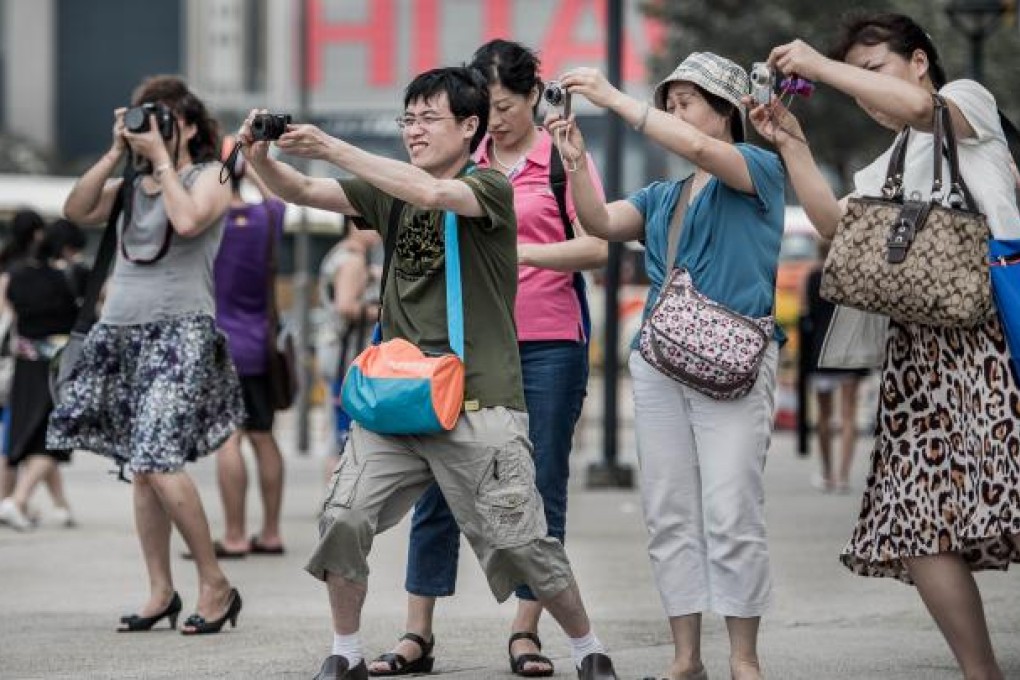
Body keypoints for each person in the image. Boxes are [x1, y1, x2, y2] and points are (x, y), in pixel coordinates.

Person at [240, 65, 621, 680]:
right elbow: (304, 192)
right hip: (397, 398)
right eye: (407, 119)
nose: (413, 131)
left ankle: (587, 647)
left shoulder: (490, 186)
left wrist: (330, 146)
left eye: (428, 119)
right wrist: (257, 155)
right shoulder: (390, 187)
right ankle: (346, 652)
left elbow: (435, 196)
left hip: (478, 398)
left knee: (524, 540)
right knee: (342, 518)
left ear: (471, 126)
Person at [749, 12, 1020, 679]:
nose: (866, 93)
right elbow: (837, 228)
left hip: (993, 344)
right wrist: (792, 145)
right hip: (918, 362)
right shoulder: (891, 160)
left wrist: (816, 65)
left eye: (876, 72)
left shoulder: (965, 105)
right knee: (919, 523)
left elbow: (916, 108)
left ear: (920, 62)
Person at [367, 40, 607, 679]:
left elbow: (598, 246)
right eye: (485, 108)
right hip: (460, 350)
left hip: (547, 345)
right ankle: (418, 631)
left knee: (538, 487)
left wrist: (518, 256)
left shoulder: (560, 157)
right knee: (436, 486)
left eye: (506, 105)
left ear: (534, 96)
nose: (495, 119)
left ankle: (527, 630)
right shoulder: (455, 162)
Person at [546, 52, 785, 680]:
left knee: (733, 511)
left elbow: (705, 153)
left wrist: (618, 99)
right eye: (669, 102)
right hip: (660, 363)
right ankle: (686, 658)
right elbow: (598, 222)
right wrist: (572, 158)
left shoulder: (757, 167)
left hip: (735, 359)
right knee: (669, 512)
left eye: (686, 102)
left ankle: (744, 659)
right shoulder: (662, 196)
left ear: (725, 108)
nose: (673, 113)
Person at [48, 75, 245, 635]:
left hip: (180, 332)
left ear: (185, 124)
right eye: (141, 118)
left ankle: (215, 583)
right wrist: (116, 152)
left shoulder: (211, 176)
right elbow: (75, 207)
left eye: (159, 118)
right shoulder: (131, 186)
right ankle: (161, 590)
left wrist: (162, 159)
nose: (148, 128)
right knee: (141, 471)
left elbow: (186, 221)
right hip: (120, 333)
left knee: (158, 458)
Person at [204, 142, 287, 558]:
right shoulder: (265, 218)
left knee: (229, 439)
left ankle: (234, 535)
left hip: (219, 344)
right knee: (263, 436)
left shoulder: (209, 222)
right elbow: (277, 197)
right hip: (260, 344)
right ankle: (270, 532)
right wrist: (250, 165)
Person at [0, 224, 78, 531]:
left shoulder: (14, 277)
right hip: (56, 367)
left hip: (23, 366)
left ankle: (54, 505)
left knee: (23, 435)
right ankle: (15, 501)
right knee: (49, 439)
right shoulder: (68, 278)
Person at [314, 224, 382, 483]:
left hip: (333, 349)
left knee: (334, 428)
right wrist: (383, 312)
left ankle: (334, 496)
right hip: (347, 353)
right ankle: (339, 496)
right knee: (345, 430)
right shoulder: (353, 260)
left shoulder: (338, 254)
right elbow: (346, 306)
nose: (379, 231)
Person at [801, 241, 866, 494]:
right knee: (849, 414)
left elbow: (805, 313)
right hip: (849, 351)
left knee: (824, 416)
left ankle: (827, 473)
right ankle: (843, 476)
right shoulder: (851, 275)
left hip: (822, 353)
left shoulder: (812, 277)